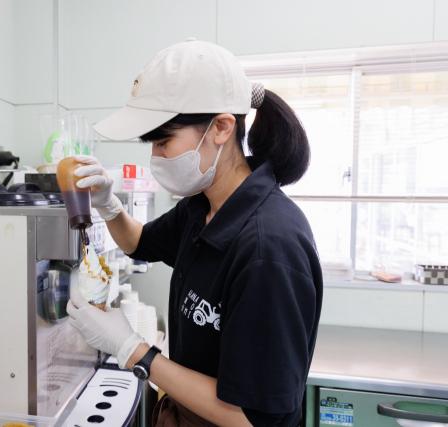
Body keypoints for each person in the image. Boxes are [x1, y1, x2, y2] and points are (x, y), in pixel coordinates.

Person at [66, 39, 322, 427]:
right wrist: (108, 205)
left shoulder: (268, 249)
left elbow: (252, 418)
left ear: (221, 128)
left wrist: (132, 350)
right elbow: (139, 243)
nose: (155, 157)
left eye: (163, 141)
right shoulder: (202, 206)